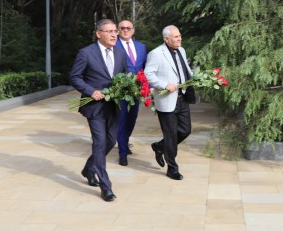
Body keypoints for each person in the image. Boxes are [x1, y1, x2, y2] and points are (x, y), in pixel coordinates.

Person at [70, 19, 127, 202]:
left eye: (115, 31)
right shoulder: (86, 53)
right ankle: (106, 187)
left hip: (113, 105)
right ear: (98, 33)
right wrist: (90, 91)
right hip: (94, 107)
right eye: (109, 31)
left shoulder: (120, 53)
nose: (114, 35)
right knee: (100, 142)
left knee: (111, 141)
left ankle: (88, 169)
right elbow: (75, 77)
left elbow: (124, 77)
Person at [144, 25, 193, 180]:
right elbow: (148, 74)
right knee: (171, 135)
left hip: (182, 98)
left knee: (185, 130)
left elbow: (185, 70)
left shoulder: (182, 50)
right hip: (166, 100)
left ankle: (159, 146)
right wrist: (165, 85)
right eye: (176, 37)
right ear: (166, 39)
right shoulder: (156, 54)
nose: (180, 39)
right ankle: (172, 168)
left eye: (179, 36)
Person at [115, 19, 147, 166]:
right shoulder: (114, 46)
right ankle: (122, 153)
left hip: (136, 90)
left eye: (128, 28)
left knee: (132, 119)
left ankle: (125, 142)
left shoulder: (141, 47)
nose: (125, 30)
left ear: (133, 30)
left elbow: (144, 68)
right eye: (122, 28)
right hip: (120, 90)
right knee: (121, 120)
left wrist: (147, 86)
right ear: (118, 30)